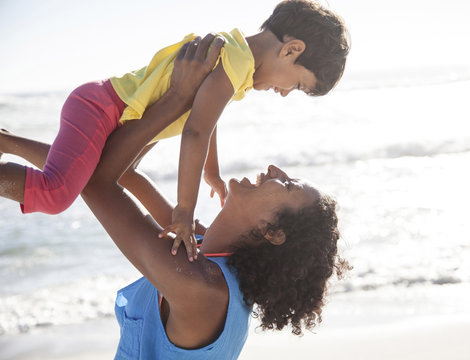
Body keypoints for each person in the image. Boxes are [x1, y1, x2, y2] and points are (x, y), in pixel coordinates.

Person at [1, 34, 348, 359]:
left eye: (287, 185)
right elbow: (120, 175)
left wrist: (176, 100)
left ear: (271, 230)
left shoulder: (202, 289)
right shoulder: (202, 247)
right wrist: (9, 142)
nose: (275, 169)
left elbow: (99, 183)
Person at [0, 0, 350, 262]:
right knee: (56, 194)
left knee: (80, 173)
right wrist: (185, 208)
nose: (286, 93)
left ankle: (4, 141)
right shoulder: (236, 61)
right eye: (298, 85)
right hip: (103, 110)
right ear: (291, 50)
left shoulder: (239, 65)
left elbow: (207, 122)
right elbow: (194, 132)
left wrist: (211, 173)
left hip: (111, 112)